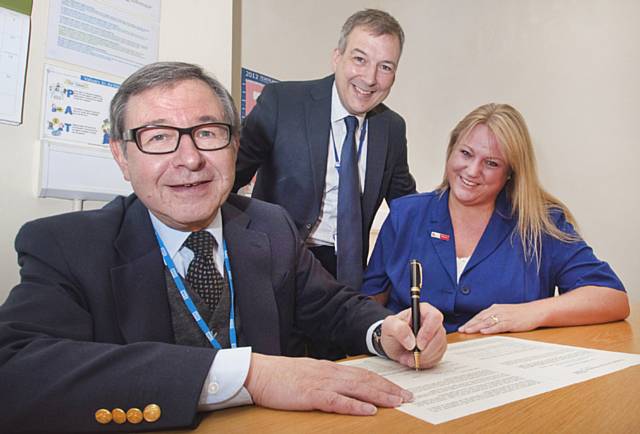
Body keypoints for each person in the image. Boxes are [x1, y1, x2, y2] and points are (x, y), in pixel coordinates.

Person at [0, 62, 447, 433]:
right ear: (121, 155)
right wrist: (249, 375)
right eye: (158, 138)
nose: (189, 158)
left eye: (208, 132)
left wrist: (386, 331)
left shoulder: (271, 225)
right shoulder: (66, 245)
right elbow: (14, 372)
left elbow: (331, 307)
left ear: (235, 144)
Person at [360, 103, 629, 334]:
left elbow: (611, 297)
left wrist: (529, 314)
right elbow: (368, 304)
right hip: (414, 368)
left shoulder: (540, 224)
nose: (473, 171)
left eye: (491, 163)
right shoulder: (406, 215)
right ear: (451, 150)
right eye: (465, 153)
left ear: (510, 173)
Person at [235, 9, 416, 292]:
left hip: (348, 275)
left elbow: (408, 207)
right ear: (337, 57)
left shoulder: (391, 127)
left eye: (385, 67)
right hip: (279, 265)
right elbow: (228, 176)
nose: (370, 78)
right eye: (359, 59)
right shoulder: (283, 102)